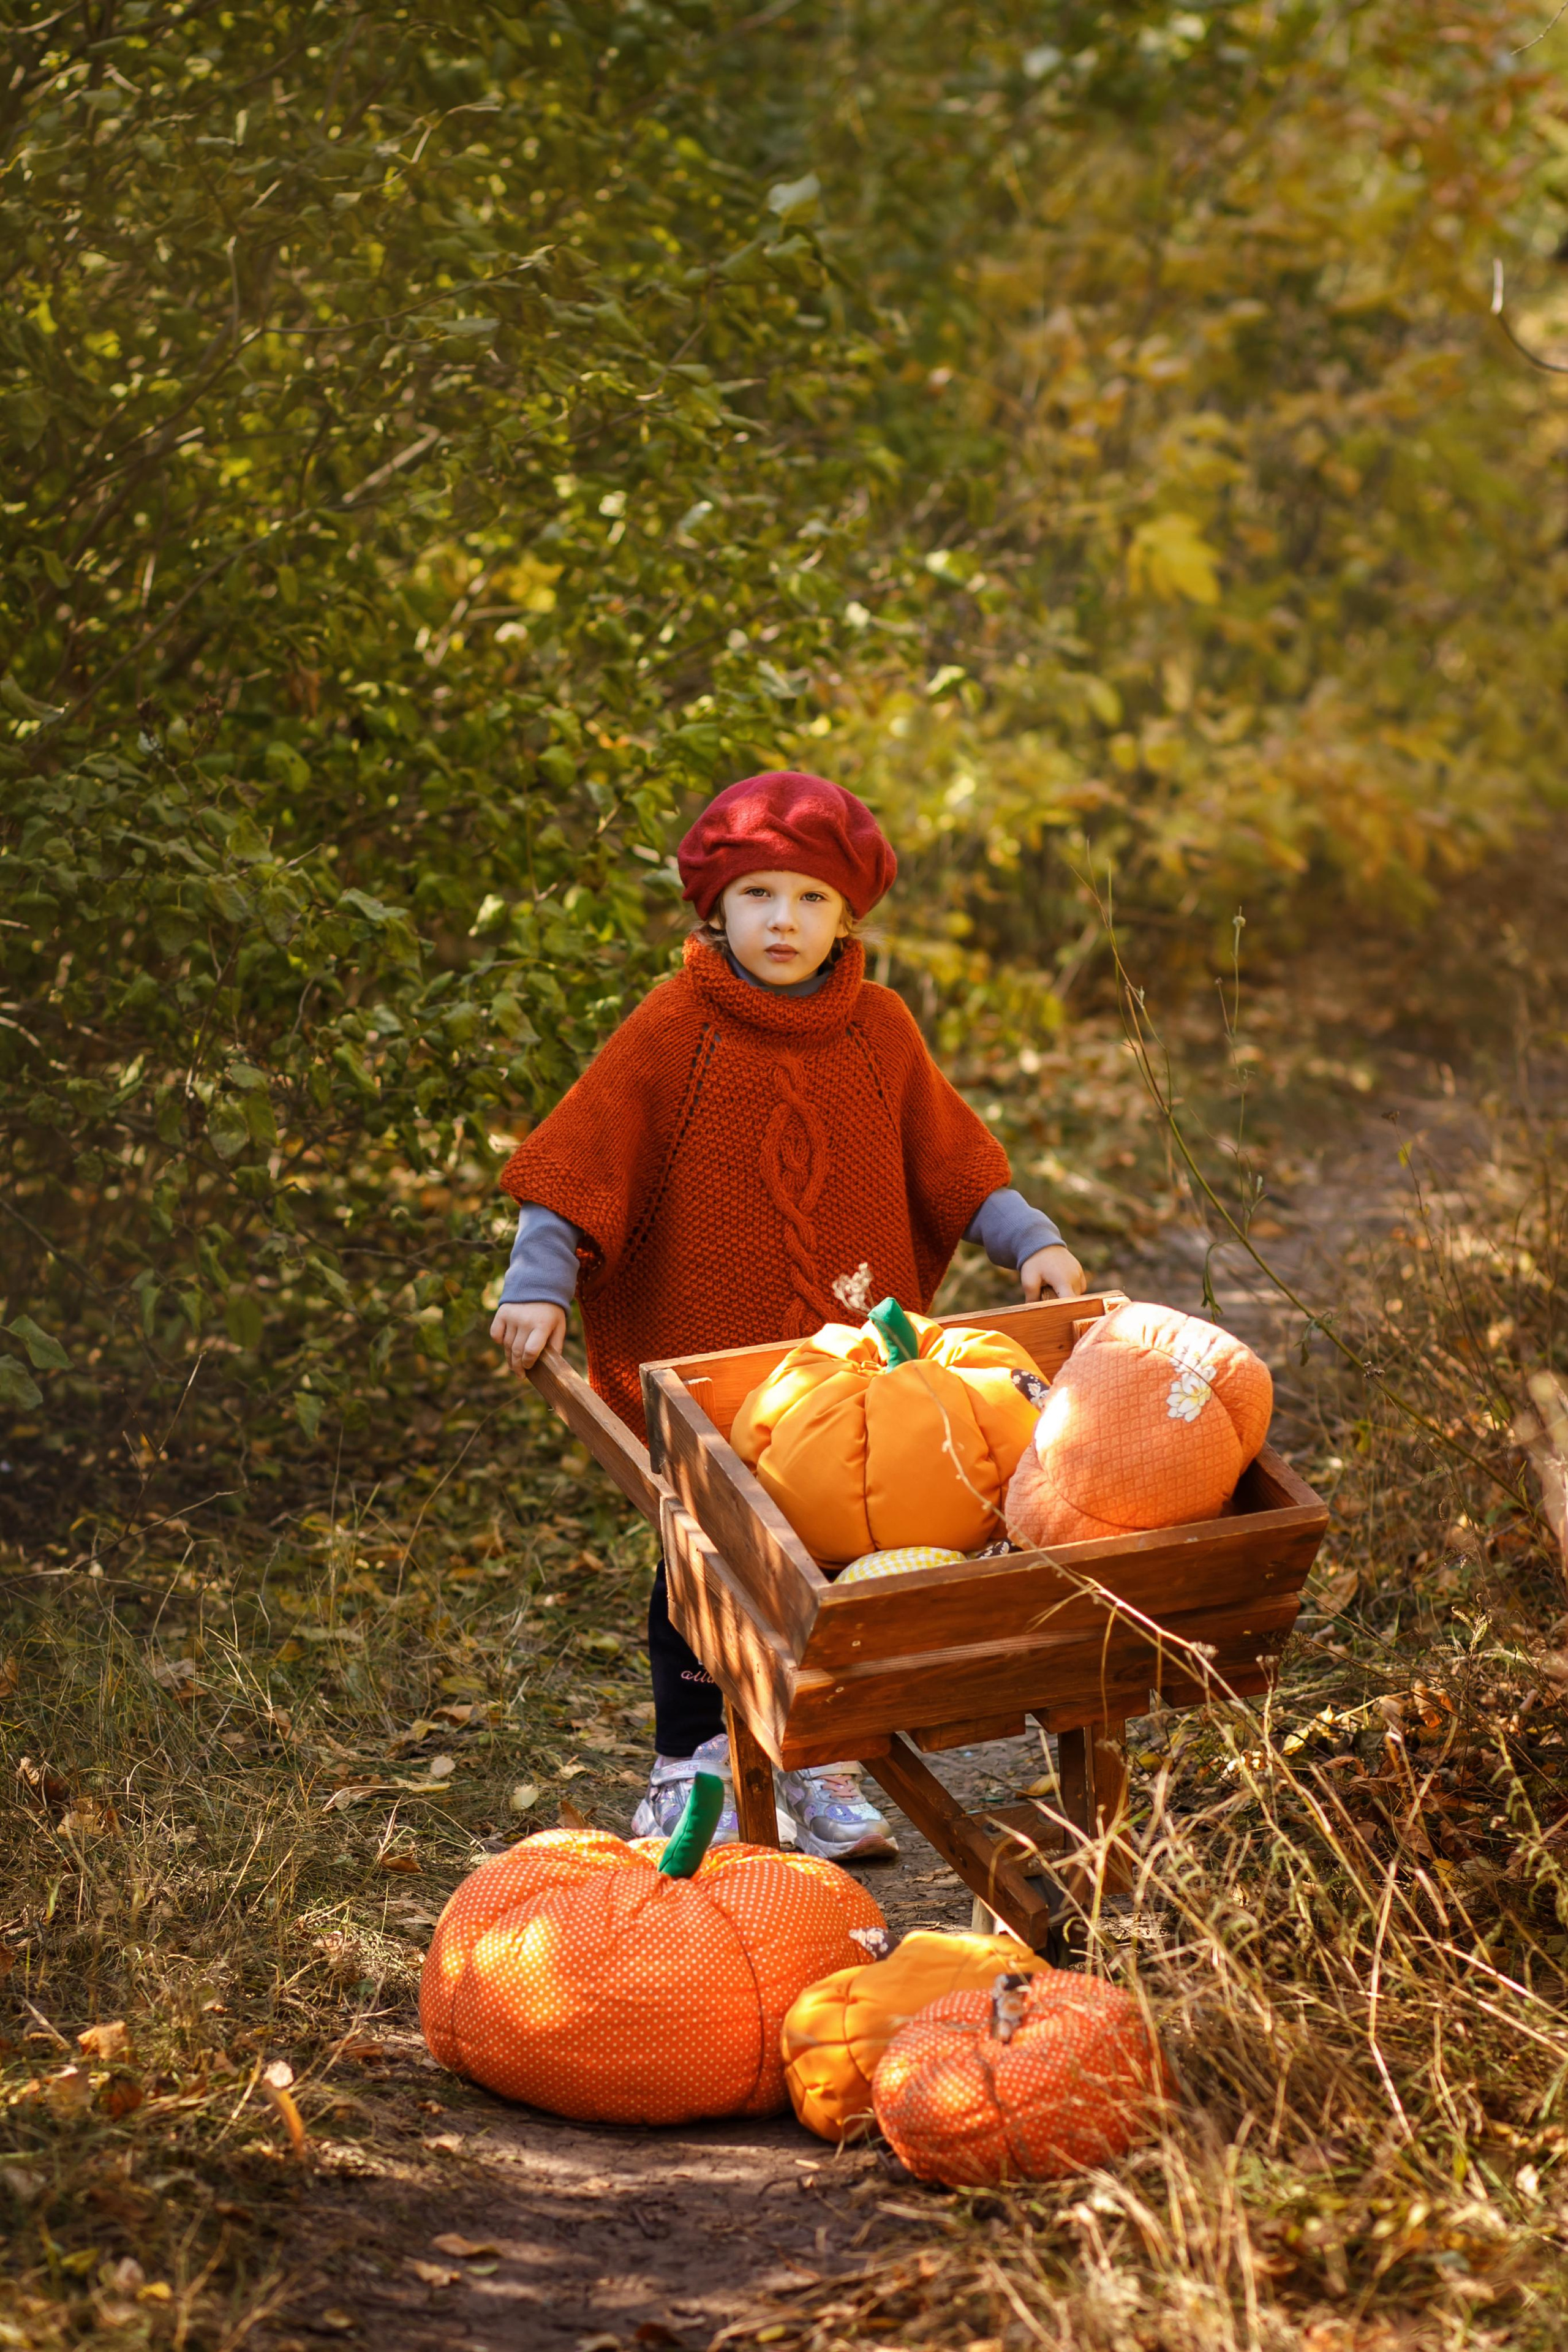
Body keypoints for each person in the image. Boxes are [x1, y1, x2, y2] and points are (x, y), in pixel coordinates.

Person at [489, 771, 1084, 1860]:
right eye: (759, 895)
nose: (783, 920)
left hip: (850, 1367)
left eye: (811, 901)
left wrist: (1031, 1238)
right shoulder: (677, 1027)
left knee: (844, 1558)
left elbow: (953, 1163)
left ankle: (824, 1766)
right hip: (708, 1364)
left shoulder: (881, 1031)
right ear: (715, 909)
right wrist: (539, 1282)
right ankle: (690, 1767)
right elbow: (583, 1158)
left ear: (848, 918)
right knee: (703, 1565)